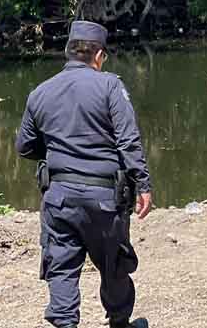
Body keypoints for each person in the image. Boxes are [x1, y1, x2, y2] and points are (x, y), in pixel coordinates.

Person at [16, 21, 153, 328]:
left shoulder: (40, 92)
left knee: (61, 266)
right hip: (104, 198)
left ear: (68, 52)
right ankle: (119, 322)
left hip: (59, 198)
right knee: (114, 263)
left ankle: (66, 325)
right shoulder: (109, 86)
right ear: (99, 55)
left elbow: (24, 147)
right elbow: (128, 140)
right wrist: (143, 183)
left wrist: (57, 153)